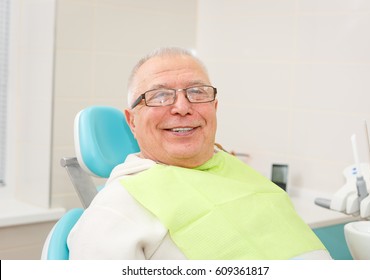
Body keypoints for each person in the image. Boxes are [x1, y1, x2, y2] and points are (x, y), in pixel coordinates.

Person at [67, 47, 331, 260]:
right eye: (159, 96)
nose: (182, 107)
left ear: (214, 108)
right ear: (132, 121)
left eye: (196, 92)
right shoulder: (116, 209)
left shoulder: (237, 171)